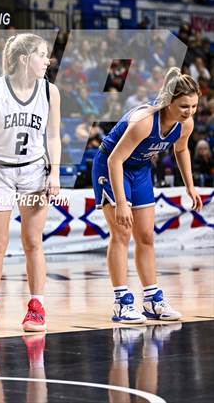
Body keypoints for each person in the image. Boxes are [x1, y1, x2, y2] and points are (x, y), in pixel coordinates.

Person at [92, 68, 203, 324]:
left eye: (194, 106)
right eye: (184, 106)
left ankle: (152, 299)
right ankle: (121, 302)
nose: (189, 112)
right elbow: (114, 160)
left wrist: (190, 185)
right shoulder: (144, 121)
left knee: (146, 236)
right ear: (169, 101)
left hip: (140, 169)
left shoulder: (185, 123)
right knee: (121, 234)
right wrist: (121, 202)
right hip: (111, 166)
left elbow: (181, 150)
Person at [0, 34, 61, 332]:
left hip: (34, 171)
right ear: (24, 59)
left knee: (33, 242)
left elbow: (53, 136)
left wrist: (55, 172)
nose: (47, 61)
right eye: (42, 55)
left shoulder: (50, 91)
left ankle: (37, 306)